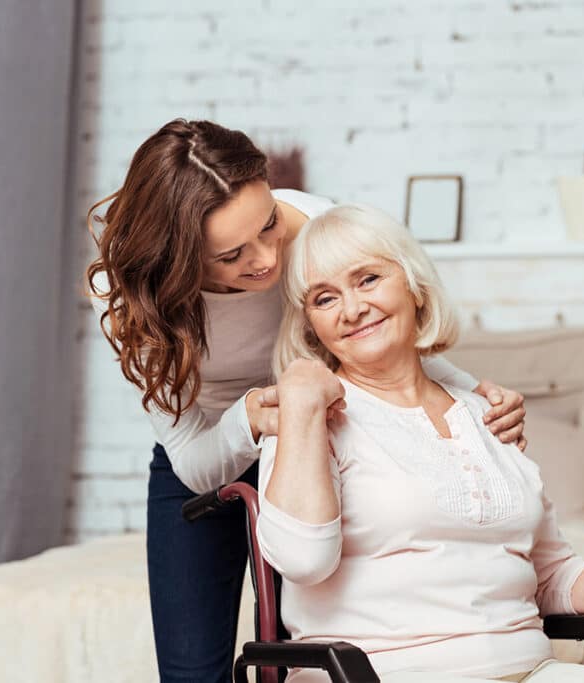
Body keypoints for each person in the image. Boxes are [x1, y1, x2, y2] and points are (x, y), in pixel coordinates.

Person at [85, 119, 529, 683]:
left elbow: (381, 337)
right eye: (231, 255)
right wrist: (247, 418)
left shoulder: (319, 227)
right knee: (192, 671)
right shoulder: (139, 295)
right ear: (178, 258)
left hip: (321, 428)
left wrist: (471, 398)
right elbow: (194, 463)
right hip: (207, 444)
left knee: (310, 644)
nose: (267, 260)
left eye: (269, 224)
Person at [258, 204, 584, 683]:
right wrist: (300, 397)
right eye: (324, 299)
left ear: (414, 286)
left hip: (528, 670)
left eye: (368, 280)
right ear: (309, 325)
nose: (353, 309)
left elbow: (549, 572)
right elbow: (301, 560)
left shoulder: (487, 415)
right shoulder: (309, 419)